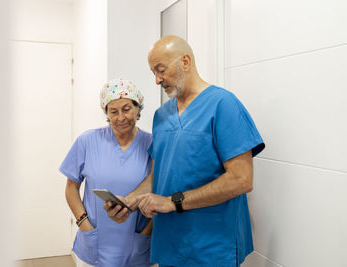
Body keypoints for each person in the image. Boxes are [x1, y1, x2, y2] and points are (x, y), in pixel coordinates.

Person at [104, 35, 265, 267]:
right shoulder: (162, 116)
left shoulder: (223, 105)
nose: (157, 80)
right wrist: (128, 203)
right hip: (170, 242)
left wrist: (173, 201)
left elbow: (241, 180)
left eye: (161, 70)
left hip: (211, 246)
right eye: (153, 73)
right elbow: (157, 176)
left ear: (186, 62)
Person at [59, 78, 154, 267]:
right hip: (94, 244)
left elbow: (159, 190)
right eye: (113, 111)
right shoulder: (87, 141)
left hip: (139, 246)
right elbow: (71, 188)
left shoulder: (152, 144)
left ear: (138, 108)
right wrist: (83, 224)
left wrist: (148, 231)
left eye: (127, 109)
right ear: (106, 112)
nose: (121, 117)